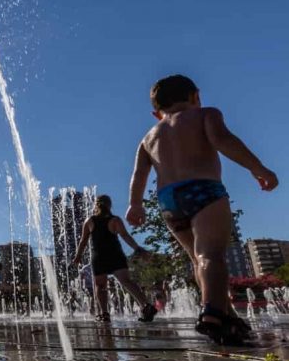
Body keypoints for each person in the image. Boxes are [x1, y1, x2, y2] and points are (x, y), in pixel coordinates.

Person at [126, 74, 278, 344]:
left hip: (169, 201)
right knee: (211, 255)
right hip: (203, 189)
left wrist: (135, 204)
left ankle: (228, 315)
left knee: (198, 259)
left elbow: (139, 174)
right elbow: (224, 141)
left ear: (155, 113)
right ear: (196, 96)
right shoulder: (205, 114)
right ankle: (212, 312)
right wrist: (258, 168)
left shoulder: (148, 137)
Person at [72, 195, 158, 323]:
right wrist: (137, 249)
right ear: (109, 205)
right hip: (115, 255)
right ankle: (146, 305)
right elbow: (125, 236)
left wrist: (77, 257)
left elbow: (83, 241)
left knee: (100, 285)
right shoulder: (115, 220)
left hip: (99, 256)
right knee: (127, 281)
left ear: (96, 205)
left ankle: (104, 313)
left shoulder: (89, 221)